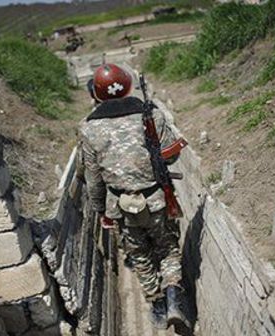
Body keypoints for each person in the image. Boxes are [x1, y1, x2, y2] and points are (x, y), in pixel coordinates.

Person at [78, 63, 191, 333]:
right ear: (127, 85)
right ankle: (175, 297)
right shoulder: (150, 114)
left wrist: (100, 211)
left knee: (139, 255)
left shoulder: (88, 128)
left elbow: (93, 179)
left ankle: (158, 306)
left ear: (97, 94)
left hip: (120, 206)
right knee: (167, 248)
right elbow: (172, 155)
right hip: (156, 199)